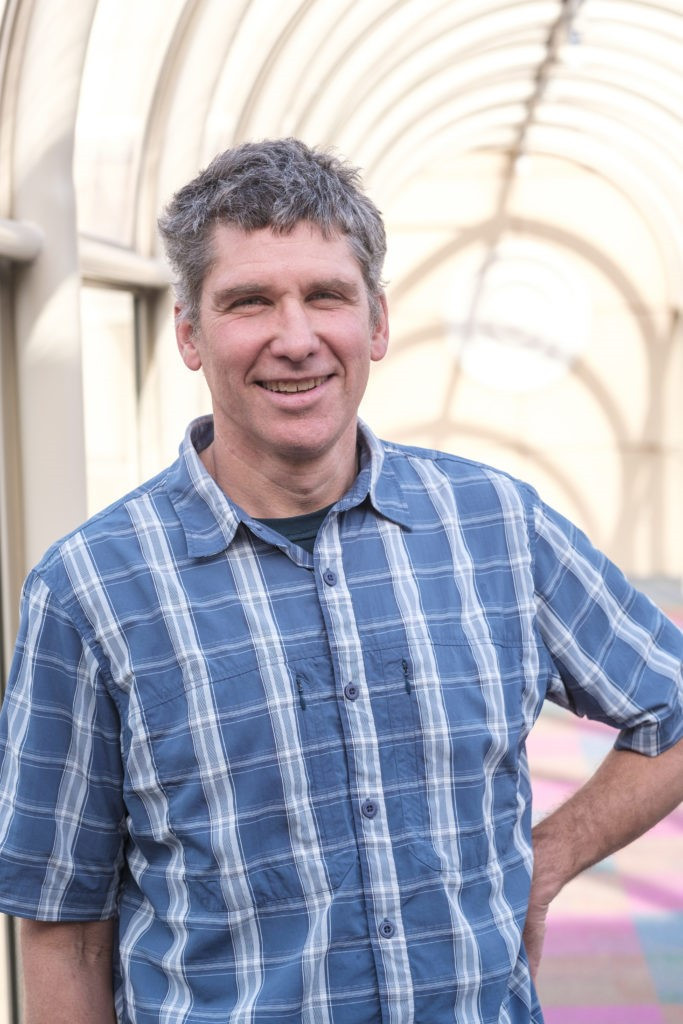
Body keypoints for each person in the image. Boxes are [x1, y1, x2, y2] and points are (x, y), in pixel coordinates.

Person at [0, 138, 682, 1024]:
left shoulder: (495, 527)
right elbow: (64, 927)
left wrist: (543, 859)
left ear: (377, 323)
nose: (295, 338)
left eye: (325, 295)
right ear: (189, 336)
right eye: (249, 302)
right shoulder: (90, 590)